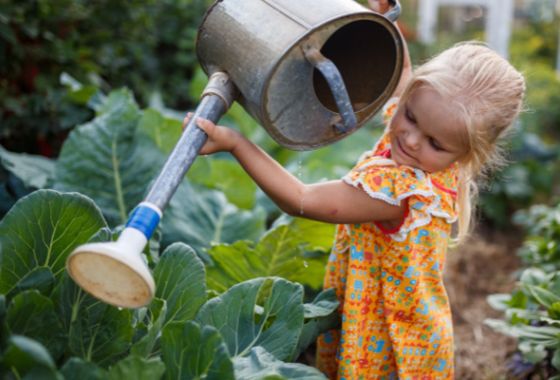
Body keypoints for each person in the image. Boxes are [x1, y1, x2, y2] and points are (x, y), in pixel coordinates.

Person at [182, 0, 525, 377]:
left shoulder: (398, 191)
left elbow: (301, 200)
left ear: (466, 153)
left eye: (434, 143)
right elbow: (403, 74)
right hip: (417, 332)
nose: (410, 140)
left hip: (387, 345)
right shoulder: (437, 151)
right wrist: (386, 22)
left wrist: (237, 144)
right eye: (410, 115)